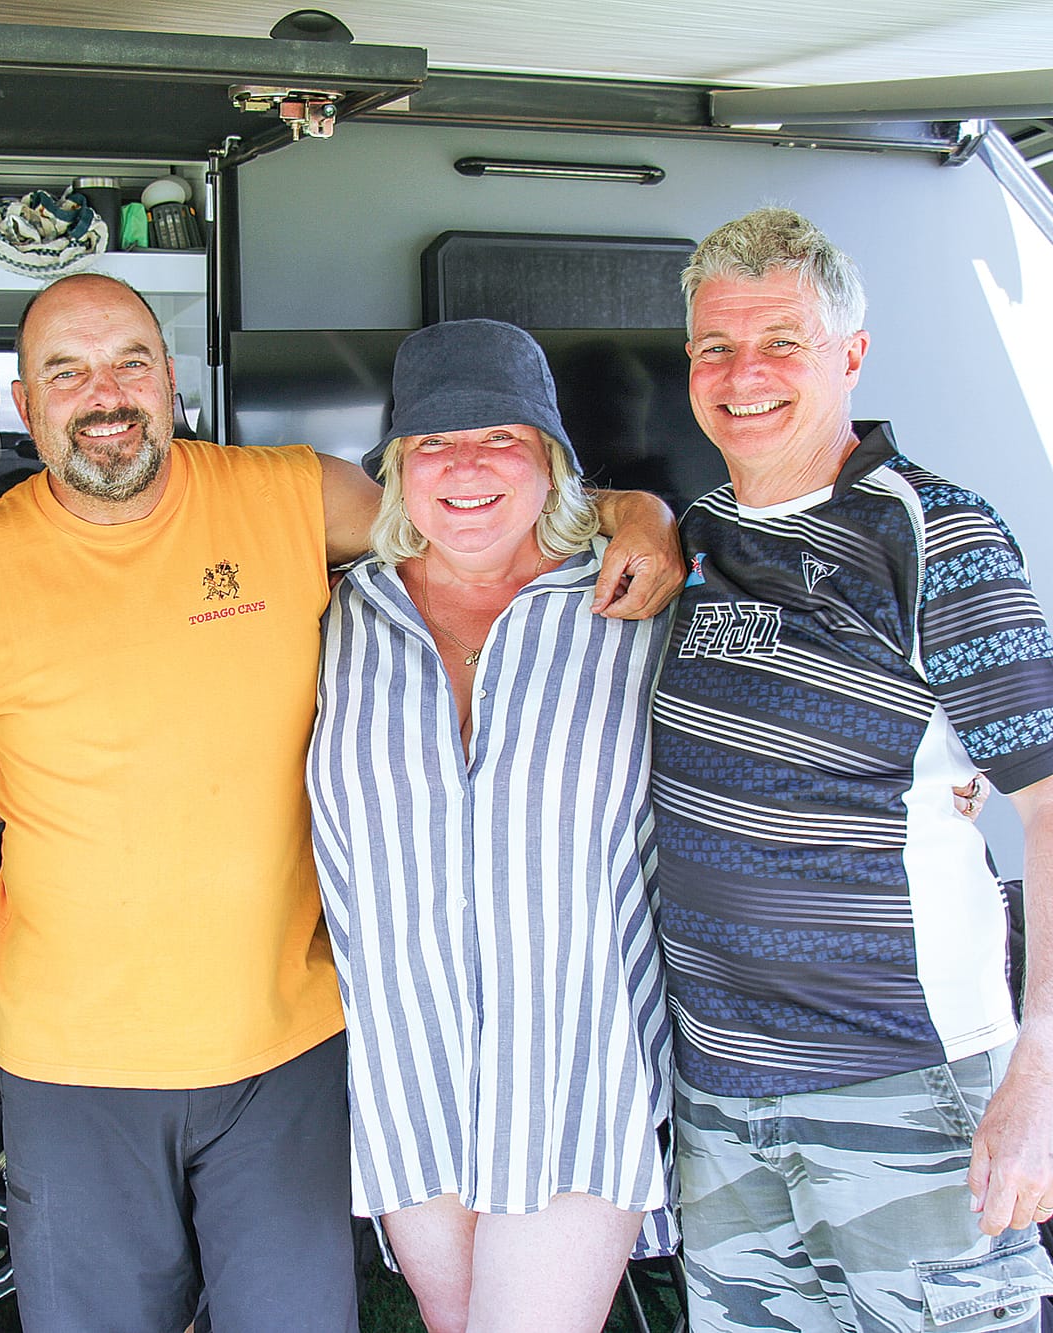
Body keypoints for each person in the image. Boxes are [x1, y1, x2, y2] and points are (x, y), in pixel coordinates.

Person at [0, 272, 683, 1333]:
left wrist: (640, 511)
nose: (105, 392)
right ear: (26, 402)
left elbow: (474, 525)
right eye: (66, 372)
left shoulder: (288, 496)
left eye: (131, 360)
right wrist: (70, 775)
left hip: (284, 1051)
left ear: (169, 380)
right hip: (70, 1054)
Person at [649, 206, 1053, 1333]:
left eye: (781, 344)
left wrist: (1045, 1066)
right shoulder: (698, 536)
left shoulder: (931, 533)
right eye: (715, 346)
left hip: (902, 1085)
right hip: (719, 1094)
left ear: (849, 356)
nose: (742, 373)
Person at [306, 319, 675, 1333]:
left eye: (498, 436)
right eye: (430, 443)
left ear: (550, 460)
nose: (463, 467)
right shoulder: (332, 617)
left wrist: (644, 516)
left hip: (573, 1070)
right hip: (405, 1072)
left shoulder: (629, 607)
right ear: (393, 471)